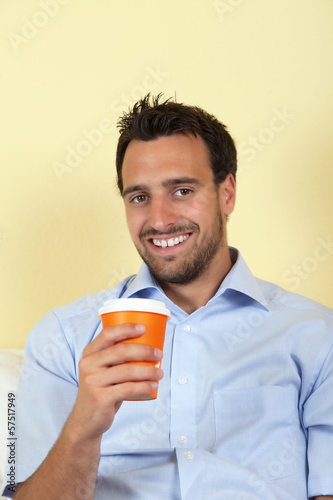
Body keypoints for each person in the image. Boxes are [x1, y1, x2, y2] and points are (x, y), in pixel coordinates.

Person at [3, 94, 333, 500]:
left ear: (226, 193)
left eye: (181, 191)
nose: (159, 220)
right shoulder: (65, 337)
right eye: (139, 197)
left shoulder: (314, 334)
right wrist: (83, 426)